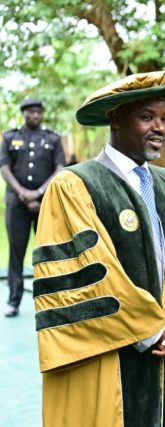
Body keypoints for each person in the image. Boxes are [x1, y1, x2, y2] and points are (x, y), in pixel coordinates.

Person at [32, 71, 165, 427]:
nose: (159, 128)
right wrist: (158, 332)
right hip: (107, 357)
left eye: (164, 118)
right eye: (146, 117)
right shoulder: (76, 185)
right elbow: (90, 274)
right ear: (115, 119)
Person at [0, 98, 65, 317]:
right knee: (16, 252)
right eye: (31, 112)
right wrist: (23, 193)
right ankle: (13, 301)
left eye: (39, 111)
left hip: (44, 203)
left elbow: (60, 168)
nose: (35, 115)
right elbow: (4, 167)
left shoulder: (52, 138)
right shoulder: (10, 137)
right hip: (16, 205)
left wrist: (38, 193)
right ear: (24, 113)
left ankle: (52, 300)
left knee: (48, 250)